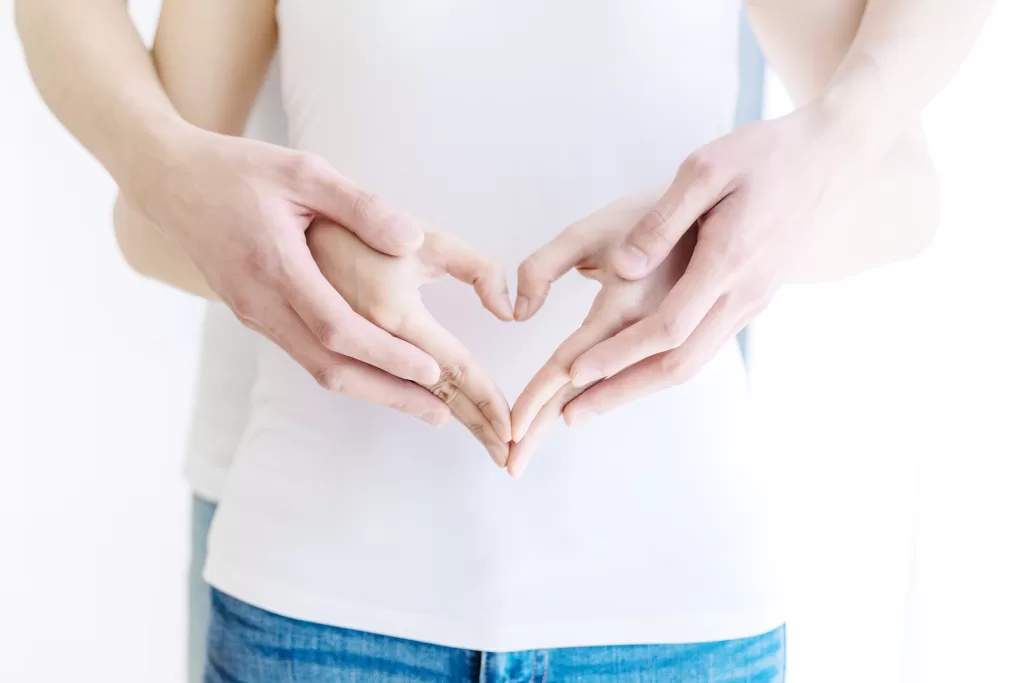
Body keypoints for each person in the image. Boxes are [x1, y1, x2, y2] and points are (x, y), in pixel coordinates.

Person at [15, 0, 989, 681]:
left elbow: (898, 187)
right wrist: (320, 259)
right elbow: (162, 209)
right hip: (329, 599)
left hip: (668, 605)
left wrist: (695, 256)